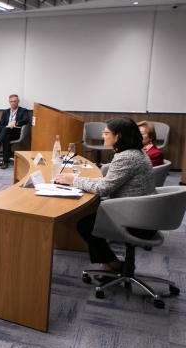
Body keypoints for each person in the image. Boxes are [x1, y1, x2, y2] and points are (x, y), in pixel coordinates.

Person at [54, 117, 156, 277]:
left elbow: (104, 188)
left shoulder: (126, 157)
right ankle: (108, 266)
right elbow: (108, 182)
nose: (103, 135)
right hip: (145, 213)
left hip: (137, 221)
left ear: (117, 137)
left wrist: (74, 180)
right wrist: (78, 179)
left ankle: (113, 264)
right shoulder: (137, 152)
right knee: (90, 219)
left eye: (106, 133)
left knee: (85, 225)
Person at [0, 94, 29, 170]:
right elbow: (1, 125)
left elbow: (26, 120)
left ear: (18, 101)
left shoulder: (23, 111)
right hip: (5, 133)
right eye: (11, 101)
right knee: (6, 136)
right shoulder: (6, 112)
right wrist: (6, 128)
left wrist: (16, 122)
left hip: (16, 133)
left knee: (6, 131)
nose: (13, 103)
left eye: (15, 101)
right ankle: (5, 162)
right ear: (9, 102)